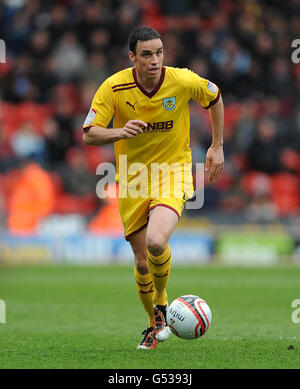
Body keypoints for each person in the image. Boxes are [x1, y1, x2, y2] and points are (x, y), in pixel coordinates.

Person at [83, 26, 224, 349]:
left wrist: (217, 145)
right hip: (132, 179)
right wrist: (119, 132)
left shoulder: (183, 80)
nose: (155, 60)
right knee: (142, 261)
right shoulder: (114, 87)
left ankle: (161, 303)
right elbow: (89, 133)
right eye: (146, 54)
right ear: (132, 57)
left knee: (156, 242)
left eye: (159, 52)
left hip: (172, 171)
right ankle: (153, 324)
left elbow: (214, 96)